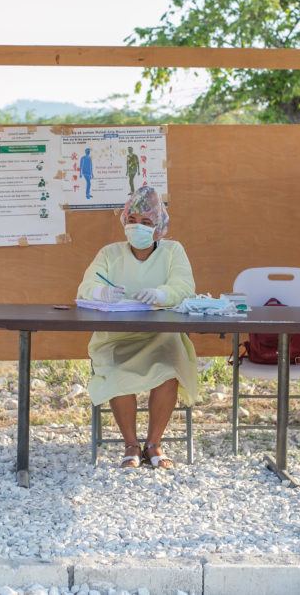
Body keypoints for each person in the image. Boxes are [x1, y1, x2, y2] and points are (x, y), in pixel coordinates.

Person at [77, 186, 197, 469]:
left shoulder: (172, 251)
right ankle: (131, 444)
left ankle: (154, 444)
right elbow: (87, 286)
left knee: (169, 372)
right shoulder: (110, 254)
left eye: (146, 222)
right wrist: (100, 293)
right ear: (124, 221)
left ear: (159, 227)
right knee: (117, 372)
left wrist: (161, 294)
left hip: (162, 336)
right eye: (132, 219)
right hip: (116, 337)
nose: (137, 227)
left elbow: (184, 287)